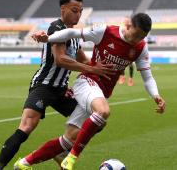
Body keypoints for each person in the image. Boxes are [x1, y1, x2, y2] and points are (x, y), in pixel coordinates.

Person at [14, 13, 166, 170]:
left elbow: (147, 77)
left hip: (101, 92)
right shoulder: (105, 31)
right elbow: (73, 33)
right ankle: (71, 158)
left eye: (141, 37)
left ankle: (24, 163)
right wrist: (49, 38)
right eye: (136, 35)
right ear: (128, 26)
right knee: (103, 111)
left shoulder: (141, 47)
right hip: (87, 82)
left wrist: (156, 95)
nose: (137, 40)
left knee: (68, 140)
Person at [0, 0, 115, 170]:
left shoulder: (74, 35)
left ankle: (61, 150)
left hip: (61, 90)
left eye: (81, 11)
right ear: (63, 9)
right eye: (74, 10)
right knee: (26, 127)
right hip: (43, 86)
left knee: (97, 120)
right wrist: (92, 69)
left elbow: (83, 60)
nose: (78, 15)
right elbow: (60, 59)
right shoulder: (56, 27)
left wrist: (103, 67)